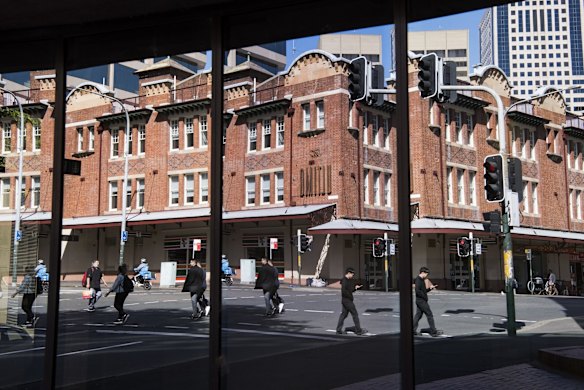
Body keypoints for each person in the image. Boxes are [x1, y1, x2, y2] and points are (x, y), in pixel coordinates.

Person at [336, 268, 366, 335]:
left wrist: (355, 288)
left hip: (345, 300)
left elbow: (350, 290)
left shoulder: (347, 280)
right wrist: (350, 295)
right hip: (347, 300)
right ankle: (358, 331)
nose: (353, 275)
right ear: (348, 273)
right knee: (355, 314)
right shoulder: (344, 280)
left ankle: (338, 330)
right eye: (352, 274)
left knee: (343, 314)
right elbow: (344, 291)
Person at [413, 266, 440, 337]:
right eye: (426, 274)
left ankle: (412, 331)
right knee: (429, 314)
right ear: (422, 272)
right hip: (421, 301)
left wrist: (430, 288)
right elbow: (417, 291)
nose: (427, 275)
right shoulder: (418, 280)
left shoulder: (421, 280)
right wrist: (424, 296)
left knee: (418, 315)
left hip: (420, 300)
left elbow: (423, 291)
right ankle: (433, 332)